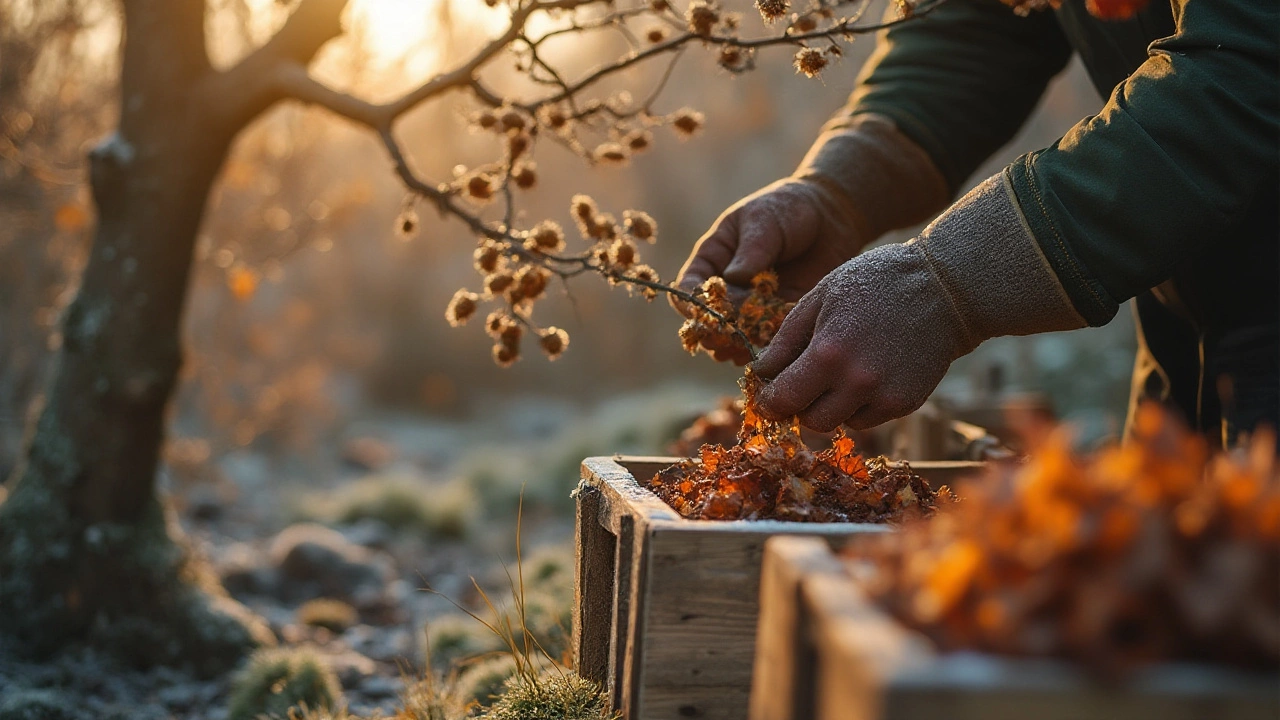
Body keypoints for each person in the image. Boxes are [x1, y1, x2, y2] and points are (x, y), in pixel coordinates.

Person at [673, 0, 1278, 449]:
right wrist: (839, 190)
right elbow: (979, 25)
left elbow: (1248, 69)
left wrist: (947, 286)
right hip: (1189, 320)